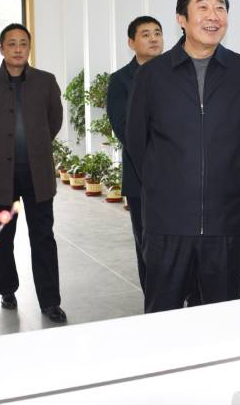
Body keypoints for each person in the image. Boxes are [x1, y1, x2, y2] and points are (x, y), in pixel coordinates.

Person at [126, 0, 240, 313]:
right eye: (202, 6)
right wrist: (166, 185)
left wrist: (231, 183)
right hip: (168, 223)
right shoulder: (152, 75)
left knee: (222, 315)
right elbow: (137, 141)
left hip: (226, 222)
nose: (213, 15)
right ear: (182, 19)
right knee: (163, 314)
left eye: (220, 7)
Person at [0, 23, 66, 323]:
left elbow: (54, 121)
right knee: (3, 237)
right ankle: (7, 290)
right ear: (1, 49)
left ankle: (50, 301)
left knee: (43, 237)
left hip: (38, 175)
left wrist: (35, 146)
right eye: (12, 43)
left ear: (29, 48)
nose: (18, 48)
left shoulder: (46, 81)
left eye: (23, 43)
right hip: (2, 176)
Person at [106, 15, 164, 293]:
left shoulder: (178, 74)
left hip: (181, 177)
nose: (153, 39)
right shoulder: (120, 80)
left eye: (157, 33)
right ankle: (154, 299)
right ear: (131, 43)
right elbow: (125, 129)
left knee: (181, 243)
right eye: (146, 34)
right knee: (147, 242)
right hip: (141, 176)